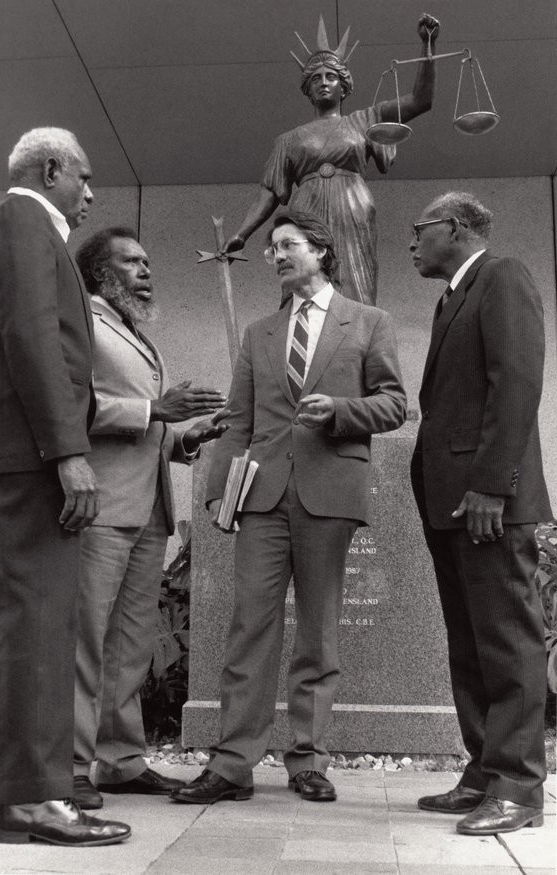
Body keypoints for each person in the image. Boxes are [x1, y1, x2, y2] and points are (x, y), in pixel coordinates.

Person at [171, 209, 406, 805]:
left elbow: (394, 404)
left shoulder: (369, 322)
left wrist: (343, 412)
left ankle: (308, 759)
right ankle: (231, 764)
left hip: (331, 491)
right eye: (273, 247)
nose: (276, 255)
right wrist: (218, 493)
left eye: (288, 245)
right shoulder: (259, 334)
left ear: (322, 252)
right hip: (263, 498)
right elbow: (238, 422)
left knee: (319, 630)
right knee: (251, 624)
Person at [0, 128, 130, 846]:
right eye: (83, 178)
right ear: (52, 168)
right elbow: (32, 335)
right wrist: (68, 451)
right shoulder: (28, 221)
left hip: (4, 452)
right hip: (35, 456)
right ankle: (32, 796)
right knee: (40, 618)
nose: (90, 194)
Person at [409, 191, 552, 835]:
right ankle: (484, 771)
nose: (413, 240)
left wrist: (495, 485)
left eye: (422, 229)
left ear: (458, 228)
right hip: (453, 505)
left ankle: (520, 787)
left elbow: (517, 382)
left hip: (489, 502)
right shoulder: (452, 300)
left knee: (506, 638)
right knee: (469, 643)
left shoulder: (503, 277)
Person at [71, 227, 228, 810]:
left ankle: (119, 761)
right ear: (99, 272)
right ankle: (68, 767)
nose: (146, 270)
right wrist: (153, 408)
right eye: (131, 262)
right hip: (100, 507)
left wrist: (188, 437)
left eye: (147, 261)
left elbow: (146, 428)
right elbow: (67, 405)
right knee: (85, 640)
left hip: (148, 508)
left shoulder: (134, 330)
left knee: (129, 645)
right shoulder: (81, 322)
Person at [223, 13, 440, 305]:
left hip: (352, 209)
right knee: (304, 284)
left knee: (356, 287)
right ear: (308, 90)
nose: (323, 83)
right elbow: (270, 192)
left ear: (344, 86)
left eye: (331, 77)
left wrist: (427, 48)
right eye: (315, 79)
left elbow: (420, 100)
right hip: (306, 212)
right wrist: (241, 234)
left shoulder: (367, 119)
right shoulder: (289, 139)